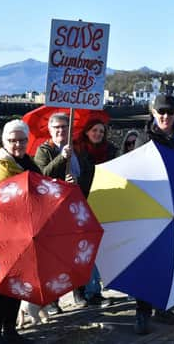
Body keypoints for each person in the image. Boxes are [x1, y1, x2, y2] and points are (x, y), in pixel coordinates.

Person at [133, 94, 174, 335]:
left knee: (171, 261)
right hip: (151, 209)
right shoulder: (145, 138)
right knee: (148, 262)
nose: (165, 117)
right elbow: (136, 174)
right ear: (153, 112)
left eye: (169, 112)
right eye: (160, 112)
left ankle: (164, 307)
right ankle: (142, 313)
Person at [34, 112, 95, 311]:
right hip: (54, 211)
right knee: (55, 256)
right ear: (50, 130)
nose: (61, 131)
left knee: (77, 252)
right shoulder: (45, 150)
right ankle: (53, 301)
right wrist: (62, 158)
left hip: (76, 208)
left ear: (70, 130)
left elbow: (88, 173)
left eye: (64, 127)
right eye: (57, 127)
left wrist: (77, 182)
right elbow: (42, 175)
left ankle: (79, 293)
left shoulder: (77, 150)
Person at [0, 119, 40, 344]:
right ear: (4, 141)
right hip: (2, 236)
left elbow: (41, 188)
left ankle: (10, 329)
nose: (17, 144)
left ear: (28, 141)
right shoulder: (1, 167)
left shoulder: (29, 163)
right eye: (12, 140)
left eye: (21, 140)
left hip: (25, 235)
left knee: (18, 284)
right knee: (0, 286)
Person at [74, 118, 116, 308]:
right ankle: (88, 292)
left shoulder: (110, 151)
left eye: (101, 131)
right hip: (82, 205)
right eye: (94, 130)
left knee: (98, 249)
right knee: (85, 249)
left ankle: (93, 290)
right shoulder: (78, 151)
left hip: (105, 204)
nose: (98, 134)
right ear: (87, 132)